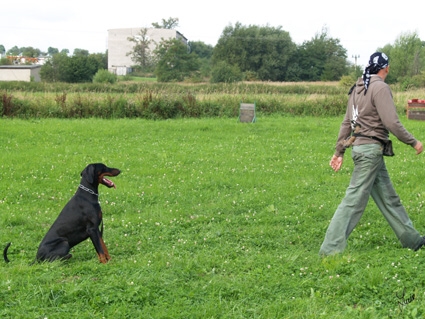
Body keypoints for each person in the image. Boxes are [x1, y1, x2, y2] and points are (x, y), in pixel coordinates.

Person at [319, 52, 424, 256]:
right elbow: (391, 122)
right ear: (387, 68)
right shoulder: (380, 87)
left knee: (388, 198)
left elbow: (346, 122)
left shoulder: (357, 88)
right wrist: (414, 142)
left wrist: (339, 151)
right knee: (354, 201)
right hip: (370, 152)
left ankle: (413, 240)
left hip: (362, 149)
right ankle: (330, 250)